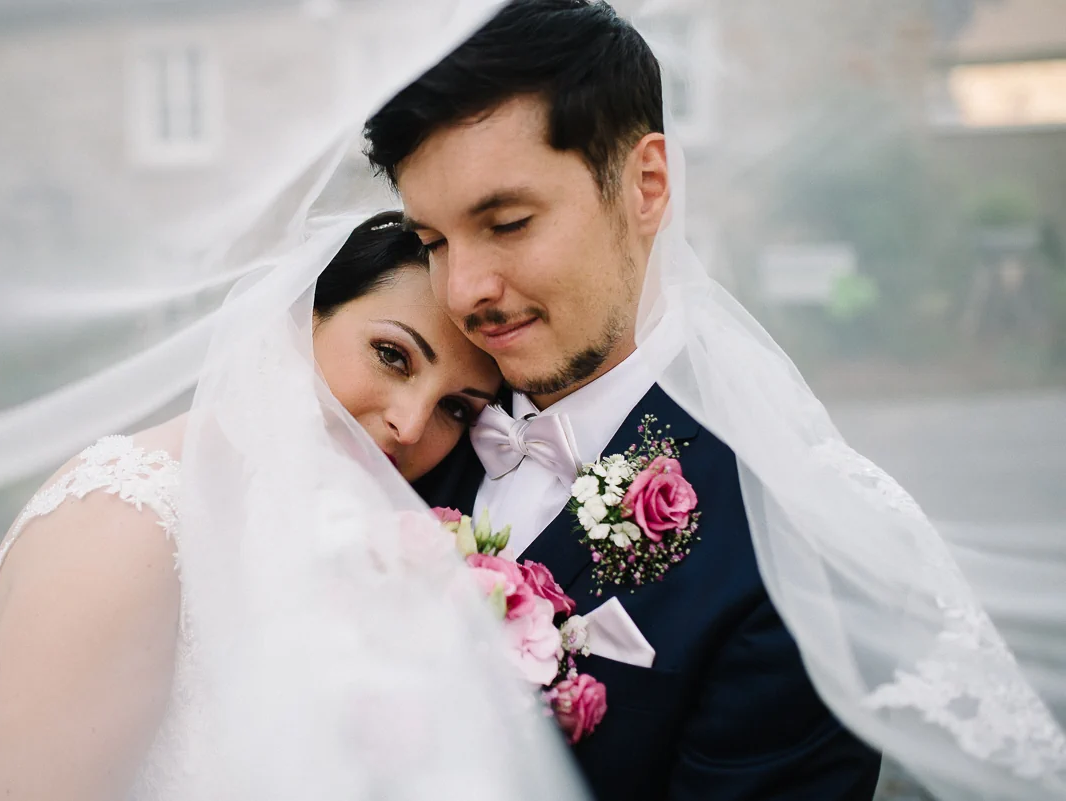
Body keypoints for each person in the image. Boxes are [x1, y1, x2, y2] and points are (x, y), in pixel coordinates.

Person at [365, 2, 882, 798]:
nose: (463, 291)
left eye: (508, 223)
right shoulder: (407, 439)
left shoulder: (792, 548)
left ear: (646, 185)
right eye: (432, 242)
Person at [0, 212, 508, 801]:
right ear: (300, 313)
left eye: (456, 408)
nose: (411, 425)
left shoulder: (328, 539)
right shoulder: (129, 521)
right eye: (392, 356)